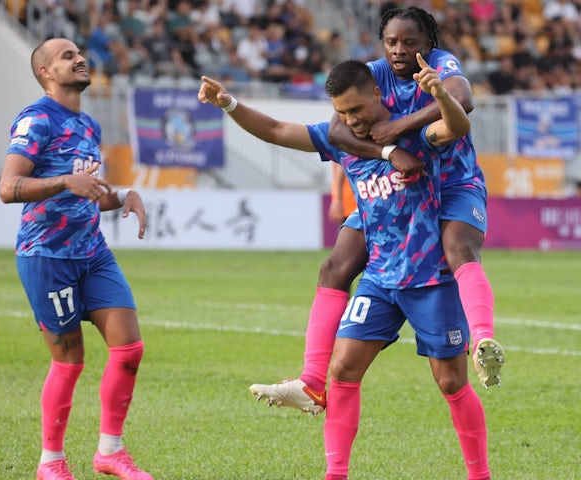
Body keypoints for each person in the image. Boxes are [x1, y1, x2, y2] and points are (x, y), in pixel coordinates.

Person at [197, 55, 491, 480]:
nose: (350, 120)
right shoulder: (342, 140)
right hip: (379, 279)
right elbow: (278, 131)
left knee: (450, 383)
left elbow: (457, 127)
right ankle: (335, 474)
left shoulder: (414, 131)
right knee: (342, 370)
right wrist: (229, 104)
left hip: (431, 278)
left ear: (377, 93)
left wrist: (441, 95)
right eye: (341, 112)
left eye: (356, 109)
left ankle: (479, 475)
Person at [249, 7, 504, 416]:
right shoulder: (371, 74)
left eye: (409, 42)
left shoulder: (439, 66)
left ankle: (483, 339)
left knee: (457, 247)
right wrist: (389, 149)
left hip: (454, 180)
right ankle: (312, 381)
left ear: (428, 44)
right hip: (393, 186)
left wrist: (400, 127)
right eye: (391, 42)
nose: (399, 50)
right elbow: (335, 132)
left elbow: (464, 101)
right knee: (336, 265)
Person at [0, 38, 152, 480]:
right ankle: (51, 462)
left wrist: (123, 195)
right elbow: (9, 188)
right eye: (67, 56)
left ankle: (110, 452)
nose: (79, 58)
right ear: (46, 72)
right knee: (70, 361)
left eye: (79, 52)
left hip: (92, 253)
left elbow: (85, 194)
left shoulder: (88, 124)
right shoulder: (35, 120)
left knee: (129, 348)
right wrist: (66, 180)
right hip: (48, 256)